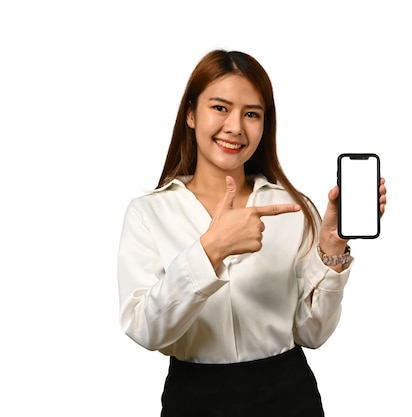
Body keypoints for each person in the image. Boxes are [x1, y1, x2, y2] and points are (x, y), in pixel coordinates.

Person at [117, 49, 387, 417]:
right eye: (220, 108)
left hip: (287, 396)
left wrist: (331, 249)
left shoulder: (293, 207)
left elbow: (313, 334)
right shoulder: (149, 212)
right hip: (193, 399)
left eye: (251, 114)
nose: (235, 127)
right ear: (191, 114)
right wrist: (211, 250)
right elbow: (146, 331)